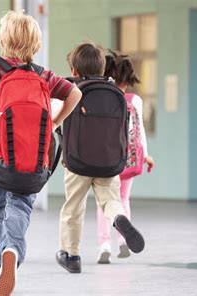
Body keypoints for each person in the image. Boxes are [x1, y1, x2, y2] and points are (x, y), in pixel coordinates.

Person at [0, 11, 82, 295]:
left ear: (3, 40)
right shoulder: (43, 76)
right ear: (35, 45)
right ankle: (11, 248)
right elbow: (75, 94)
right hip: (33, 158)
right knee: (21, 205)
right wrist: (54, 123)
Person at [56, 42, 145, 274]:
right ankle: (118, 217)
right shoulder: (115, 91)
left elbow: (55, 117)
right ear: (102, 68)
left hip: (77, 162)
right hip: (108, 161)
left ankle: (71, 255)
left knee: (73, 207)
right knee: (110, 200)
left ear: (74, 70)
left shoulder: (71, 89)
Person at [95, 50, 155, 263]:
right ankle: (123, 240)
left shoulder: (103, 98)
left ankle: (104, 244)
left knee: (104, 202)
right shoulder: (135, 100)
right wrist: (146, 155)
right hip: (128, 159)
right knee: (122, 199)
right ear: (128, 79)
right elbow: (140, 131)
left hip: (106, 159)